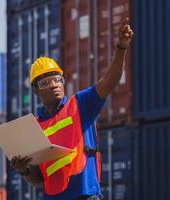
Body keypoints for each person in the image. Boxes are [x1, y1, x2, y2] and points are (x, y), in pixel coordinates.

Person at [10, 18, 134, 200]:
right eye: (46, 82)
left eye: (57, 79)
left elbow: (110, 80)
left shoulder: (81, 105)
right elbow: (39, 179)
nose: (54, 85)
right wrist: (24, 170)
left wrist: (121, 48)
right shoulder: (34, 127)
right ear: (36, 90)